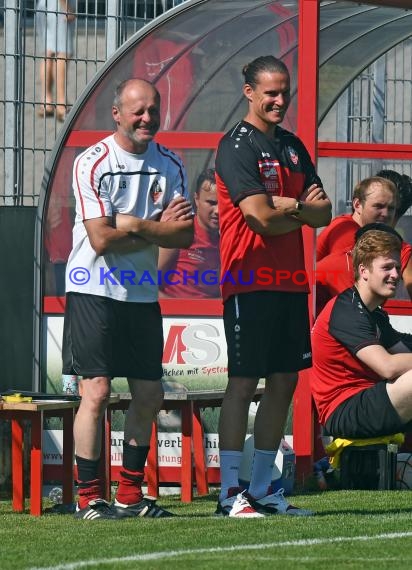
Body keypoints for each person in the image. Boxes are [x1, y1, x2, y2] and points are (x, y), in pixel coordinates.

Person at [63, 78, 194, 520]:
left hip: (140, 295)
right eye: (138, 110)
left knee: (149, 393)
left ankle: (130, 495)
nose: (147, 119)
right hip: (92, 289)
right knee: (96, 392)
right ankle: (89, 498)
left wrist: (135, 224)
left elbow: (186, 232)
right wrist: (155, 225)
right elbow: (99, 239)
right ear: (116, 114)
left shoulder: (170, 163)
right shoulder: (93, 161)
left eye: (153, 110)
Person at [214, 55, 332, 517]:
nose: (280, 100)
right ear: (249, 92)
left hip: (290, 284)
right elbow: (259, 218)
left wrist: (292, 207)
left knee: (283, 382)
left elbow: (322, 214)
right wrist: (295, 209)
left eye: (285, 91)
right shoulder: (236, 145)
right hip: (248, 281)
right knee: (243, 384)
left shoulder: (293, 147)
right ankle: (228, 494)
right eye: (271, 92)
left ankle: (263, 490)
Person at [311, 226, 412, 442]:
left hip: (368, 398)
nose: (396, 275)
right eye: (387, 267)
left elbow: (404, 353)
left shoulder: (375, 313)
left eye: (397, 267)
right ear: (364, 271)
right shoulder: (346, 309)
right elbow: (388, 366)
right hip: (344, 409)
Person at [315, 175, 412, 313]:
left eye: (391, 208)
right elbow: (354, 305)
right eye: (378, 206)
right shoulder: (347, 232)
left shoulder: (369, 236)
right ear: (357, 205)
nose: (385, 214)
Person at [158, 167, 220, 298]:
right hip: (175, 315)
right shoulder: (179, 231)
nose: (218, 211)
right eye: (211, 203)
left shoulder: (229, 239)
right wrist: (176, 312)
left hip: (214, 316)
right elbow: (149, 284)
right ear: (196, 199)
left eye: (223, 204)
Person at [36, 0, 76, 121]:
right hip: (59, 7)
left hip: (44, 5)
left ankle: (46, 102)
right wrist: (66, 7)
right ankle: (61, 105)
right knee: (63, 53)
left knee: (49, 52)